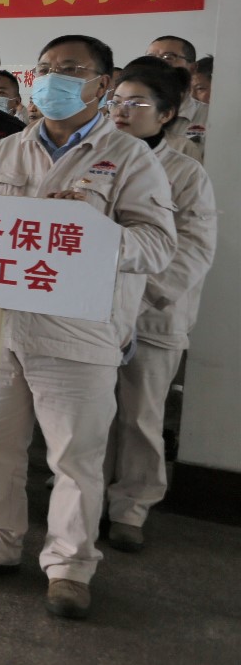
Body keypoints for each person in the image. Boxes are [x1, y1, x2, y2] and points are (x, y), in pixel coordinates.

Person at [0, 34, 176, 621]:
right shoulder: (6, 150)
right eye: (46, 68)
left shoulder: (129, 156)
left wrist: (90, 231)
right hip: (0, 324)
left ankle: (70, 566)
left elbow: (157, 245)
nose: (54, 79)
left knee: (75, 457)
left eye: (71, 69)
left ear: (102, 83)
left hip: (79, 332)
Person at [102, 58, 216, 552]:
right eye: (116, 101)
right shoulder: (96, 159)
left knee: (140, 415)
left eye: (137, 103)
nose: (122, 112)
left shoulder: (186, 172)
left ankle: (131, 508)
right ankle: (87, 497)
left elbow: (192, 248)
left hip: (152, 315)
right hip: (94, 311)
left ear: (167, 114)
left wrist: (136, 296)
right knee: (91, 411)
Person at [145, 35, 208, 161]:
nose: (157, 63)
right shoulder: (132, 110)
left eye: (168, 57)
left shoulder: (209, 116)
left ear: (192, 68)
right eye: (151, 58)